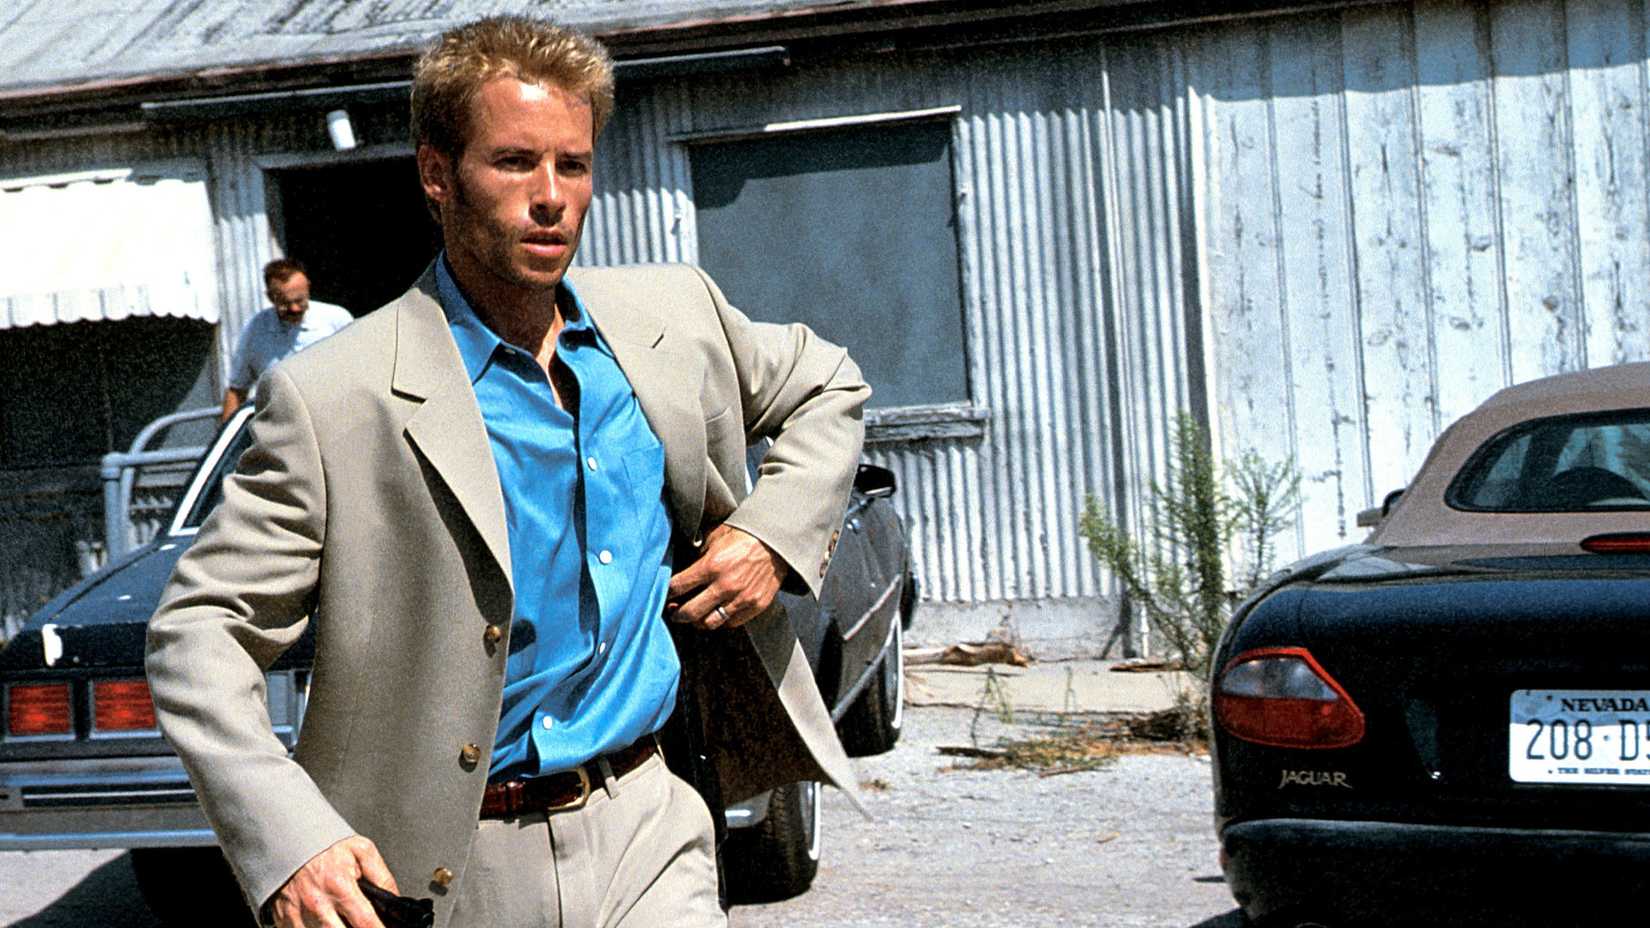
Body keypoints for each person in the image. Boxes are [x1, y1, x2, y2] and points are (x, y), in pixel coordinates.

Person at [146, 15, 868, 928]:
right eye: (515, 162)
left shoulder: (670, 317)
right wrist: (288, 834)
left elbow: (827, 383)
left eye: (573, 164)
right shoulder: (334, 398)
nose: (551, 197)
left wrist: (770, 531)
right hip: (451, 864)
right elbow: (199, 634)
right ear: (437, 175)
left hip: (651, 819)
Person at [220, 258, 353, 421]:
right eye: (285, 303)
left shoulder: (337, 319)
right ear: (270, 297)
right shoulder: (255, 330)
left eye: (300, 300)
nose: (294, 308)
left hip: (336, 417)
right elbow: (236, 390)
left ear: (308, 288)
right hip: (284, 426)